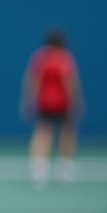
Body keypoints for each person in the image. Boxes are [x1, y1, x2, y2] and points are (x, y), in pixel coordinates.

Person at [22, 29, 83, 189]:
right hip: (61, 103)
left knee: (43, 133)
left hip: (44, 102)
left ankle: (38, 170)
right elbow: (68, 81)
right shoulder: (64, 57)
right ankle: (64, 168)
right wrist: (76, 101)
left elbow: (32, 81)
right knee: (67, 133)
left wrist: (29, 101)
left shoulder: (39, 57)